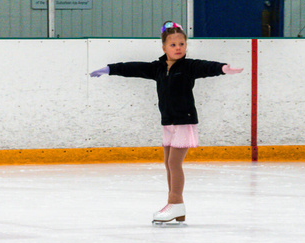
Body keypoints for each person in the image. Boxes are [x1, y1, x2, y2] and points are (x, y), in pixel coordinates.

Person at [90, 21, 243, 225]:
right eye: (173, 45)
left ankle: (175, 202)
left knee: (174, 163)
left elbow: (206, 67)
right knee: (167, 163)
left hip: (183, 121)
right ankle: (176, 208)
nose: (178, 48)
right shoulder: (158, 69)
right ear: (164, 48)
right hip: (168, 122)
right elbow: (134, 68)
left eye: (181, 44)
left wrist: (223, 68)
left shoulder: (189, 67)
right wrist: (110, 69)